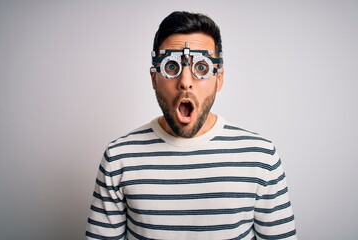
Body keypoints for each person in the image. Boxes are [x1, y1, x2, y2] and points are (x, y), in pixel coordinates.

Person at [86, 11, 297, 240]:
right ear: (154, 78)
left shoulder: (260, 157)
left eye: (202, 68)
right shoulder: (119, 158)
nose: (185, 82)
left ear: (220, 78)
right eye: (172, 67)